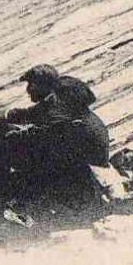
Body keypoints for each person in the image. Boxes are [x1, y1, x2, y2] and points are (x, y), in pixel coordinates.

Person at [18, 75, 112, 214]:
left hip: (85, 177)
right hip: (89, 167)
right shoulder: (84, 116)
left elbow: (52, 136)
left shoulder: (75, 123)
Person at [0, 65, 63, 200]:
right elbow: (28, 115)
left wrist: (3, 135)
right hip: (55, 159)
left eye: (31, 85)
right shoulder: (53, 101)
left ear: (43, 86)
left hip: (57, 166)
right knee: (7, 135)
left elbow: (40, 135)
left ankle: (0, 193)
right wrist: (1, 123)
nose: (27, 90)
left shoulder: (55, 109)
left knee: (5, 144)